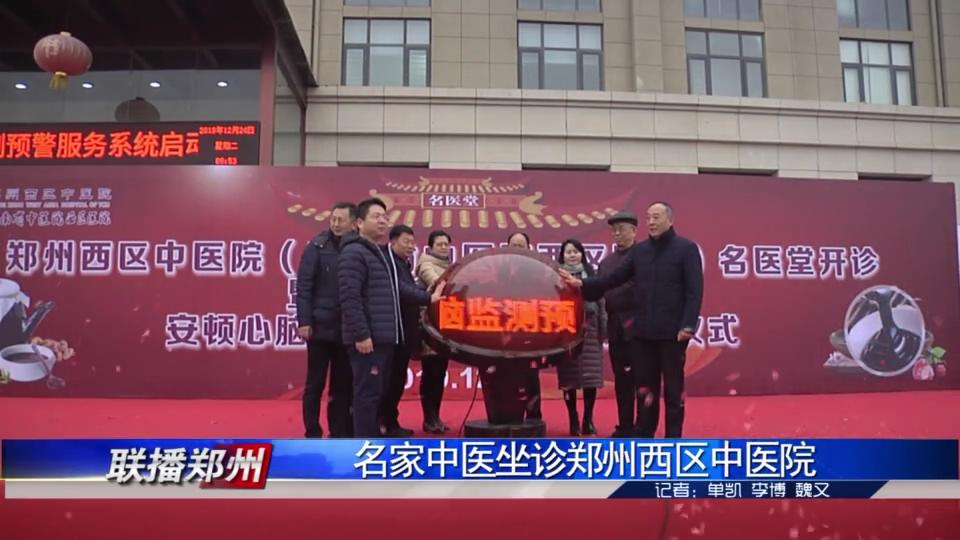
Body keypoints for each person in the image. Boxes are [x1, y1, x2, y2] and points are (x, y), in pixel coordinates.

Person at [561, 202, 703, 438]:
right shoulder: (641, 251)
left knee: (673, 389)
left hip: (672, 332)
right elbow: (614, 278)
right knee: (645, 387)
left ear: (670, 220)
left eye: (656, 217)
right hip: (643, 332)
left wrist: (688, 324)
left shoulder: (686, 249)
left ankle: (673, 438)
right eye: (648, 218)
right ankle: (644, 434)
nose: (651, 222)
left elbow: (694, 291)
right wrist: (582, 283)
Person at [339, 198, 444, 438]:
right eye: (376, 216)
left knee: (377, 393)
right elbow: (350, 297)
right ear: (359, 223)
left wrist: (429, 298)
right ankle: (364, 445)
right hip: (369, 339)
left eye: (385, 217)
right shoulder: (354, 253)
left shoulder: (378, 253)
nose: (382, 221)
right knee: (366, 395)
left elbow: (397, 289)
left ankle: (374, 439)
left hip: (385, 337)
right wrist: (361, 334)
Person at [295, 201, 357, 438]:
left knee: (342, 385)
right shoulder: (317, 246)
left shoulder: (358, 247)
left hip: (346, 330)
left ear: (354, 223)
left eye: (341, 220)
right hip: (319, 328)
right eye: (333, 219)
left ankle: (338, 430)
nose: (336, 224)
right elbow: (304, 287)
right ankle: (312, 430)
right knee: (315, 384)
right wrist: (304, 321)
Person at [599, 210, 642, 438]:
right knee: (622, 381)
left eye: (622, 229)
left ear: (634, 231)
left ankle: (642, 427)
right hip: (616, 330)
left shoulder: (644, 257)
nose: (617, 234)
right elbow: (599, 291)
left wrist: (609, 292)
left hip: (639, 329)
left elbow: (636, 288)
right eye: (614, 230)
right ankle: (624, 425)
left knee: (643, 380)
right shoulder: (606, 263)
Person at [555, 239, 605, 436]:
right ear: (562, 255)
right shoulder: (556, 276)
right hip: (566, 332)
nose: (572, 255)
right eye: (568, 252)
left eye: (576, 251)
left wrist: (603, 330)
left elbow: (601, 303)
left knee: (590, 379)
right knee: (569, 380)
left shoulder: (590, 275)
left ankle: (588, 420)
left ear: (582, 254)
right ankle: (573, 420)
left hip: (590, 332)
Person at [378, 224, 422, 437]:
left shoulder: (403, 264)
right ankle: (381, 424)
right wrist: (427, 297)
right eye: (407, 242)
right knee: (386, 382)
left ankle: (391, 421)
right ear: (393, 241)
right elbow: (402, 290)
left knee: (397, 380)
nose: (411, 246)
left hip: (404, 332)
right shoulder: (387, 262)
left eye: (413, 243)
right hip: (390, 333)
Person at [416, 229, 453, 433]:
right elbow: (438, 284)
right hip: (429, 328)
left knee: (439, 375)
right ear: (430, 247)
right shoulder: (426, 264)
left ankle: (435, 417)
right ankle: (429, 418)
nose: (443, 247)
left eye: (446, 244)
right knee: (431, 374)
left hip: (444, 327)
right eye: (439, 244)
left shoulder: (450, 266)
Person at [506, 231, 542, 422]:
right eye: (514, 245)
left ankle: (534, 415)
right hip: (504, 331)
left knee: (530, 374)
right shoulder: (500, 269)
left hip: (529, 329)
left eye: (521, 246)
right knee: (506, 375)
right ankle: (508, 415)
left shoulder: (536, 270)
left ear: (529, 248)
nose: (517, 249)